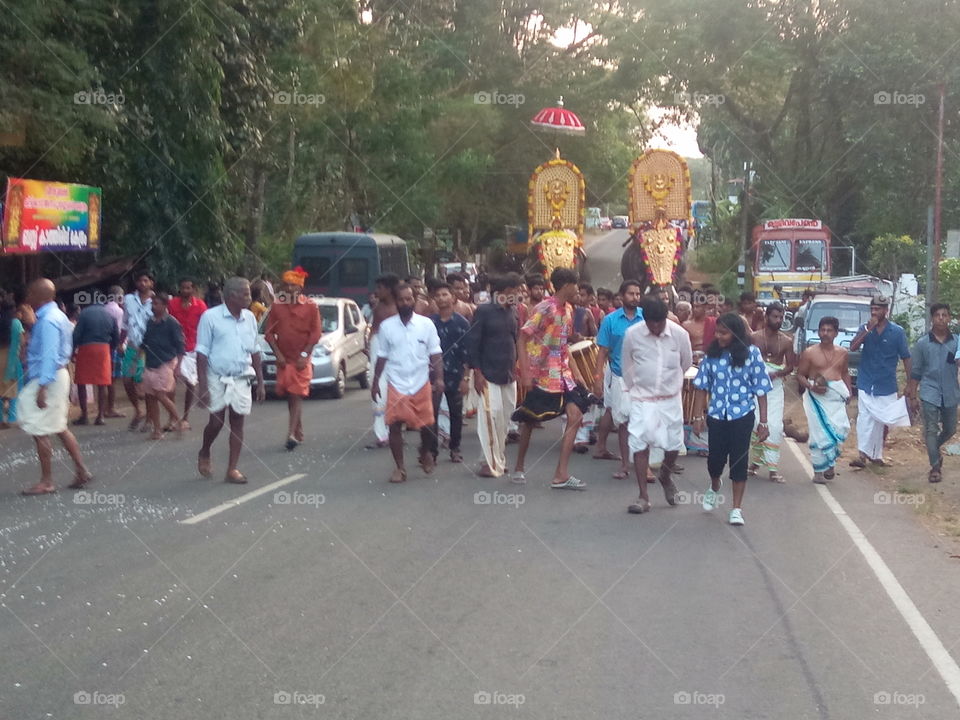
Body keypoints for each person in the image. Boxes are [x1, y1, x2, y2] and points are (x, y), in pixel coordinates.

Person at [511, 267, 591, 489]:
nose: (577, 289)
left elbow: (564, 345)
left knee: (575, 415)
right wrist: (525, 373)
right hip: (543, 374)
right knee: (529, 419)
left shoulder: (569, 310)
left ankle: (561, 474)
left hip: (564, 373)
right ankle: (519, 467)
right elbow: (522, 336)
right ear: (567, 285)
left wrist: (577, 373)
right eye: (575, 284)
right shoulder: (545, 307)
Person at [690, 313, 773, 526]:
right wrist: (698, 416)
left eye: (724, 332)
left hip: (742, 415)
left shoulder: (752, 354)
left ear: (735, 333)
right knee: (715, 460)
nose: (719, 336)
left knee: (739, 460)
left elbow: (761, 390)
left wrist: (764, 422)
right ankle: (715, 485)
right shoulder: (712, 356)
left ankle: (736, 509)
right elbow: (701, 387)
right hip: (717, 415)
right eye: (717, 332)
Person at [18, 279, 93, 495]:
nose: (28, 296)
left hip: (47, 377)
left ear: (41, 296)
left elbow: (50, 354)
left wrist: (42, 386)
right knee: (58, 426)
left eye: (31, 292)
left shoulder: (48, 320)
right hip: (55, 375)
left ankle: (47, 480)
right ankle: (81, 470)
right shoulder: (56, 315)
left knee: (39, 427)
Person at [621, 297, 693, 513]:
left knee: (673, 446)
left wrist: (670, 384)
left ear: (666, 318)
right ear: (645, 320)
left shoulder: (679, 334)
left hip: (670, 399)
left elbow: (686, 363)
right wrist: (638, 390)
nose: (654, 327)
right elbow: (627, 367)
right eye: (650, 323)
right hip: (643, 400)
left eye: (659, 323)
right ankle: (643, 497)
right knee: (640, 444)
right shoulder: (632, 335)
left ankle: (665, 475)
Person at [195, 277, 265, 484]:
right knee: (216, 422)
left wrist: (260, 381)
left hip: (242, 376)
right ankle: (205, 450)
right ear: (231, 296)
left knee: (238, 421)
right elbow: (201, 353)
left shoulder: (250, 318)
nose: (249, 298)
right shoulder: (210, 317)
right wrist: (203, 386)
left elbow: (255, 350)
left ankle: (232, 469)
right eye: (245, 294)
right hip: (216, 376)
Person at [371, 283, 443, 483]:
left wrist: (439, 378)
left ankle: (425, 451)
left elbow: (435, 352)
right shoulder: (387, 326)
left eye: (409, 298)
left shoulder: (426, 324)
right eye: (401, 299)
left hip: (421, 380)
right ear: (396, 302)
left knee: (427, 424)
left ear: (414, 300)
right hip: (397, 382)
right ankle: (400, 468)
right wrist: (376, 382)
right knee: (394, 425)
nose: (406, 302)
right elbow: (382, 355)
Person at [468, 273, 521, 477]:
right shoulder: (484, 311)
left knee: (505, 418)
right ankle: (486, 463)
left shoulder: (513, 312)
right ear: (504, 292)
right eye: (516, 290)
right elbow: (473, 342)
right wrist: (477, 373)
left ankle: (498, 459)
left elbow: (516, 342)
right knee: (491, 416)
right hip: (487, 373)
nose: (518, 294)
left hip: (508, 374)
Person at [849, 295, 911, 467]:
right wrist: (868, 330)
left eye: (878, 309)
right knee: (864, 420)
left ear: (886, 310)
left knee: (885, 421)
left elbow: (906, 357)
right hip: (866, 382)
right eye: (872, 309)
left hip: (886, 385)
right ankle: (862, 455)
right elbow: (853, 347)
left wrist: (910, 384)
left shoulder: (897, 332)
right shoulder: (865, 328)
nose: (874, 312)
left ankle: (876, 454)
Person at [264, 267, 322, 450]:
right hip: (284, 359)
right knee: (291, 394)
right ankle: (298, 428)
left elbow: (315, 334)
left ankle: (290, 434)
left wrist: (305, 355)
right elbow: (269, 334)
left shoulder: (311, 306)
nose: (289, 289)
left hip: (301, 360)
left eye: (293, 286)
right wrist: (278, 355)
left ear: (300, 288)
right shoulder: (277, 306)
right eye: (286, 285)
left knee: (296, 394)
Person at [592, 280, 644, 480]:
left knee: (642, 421)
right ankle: (624, 465)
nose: (635, 297)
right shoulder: (610, 320)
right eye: (631, 293)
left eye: (638, 293)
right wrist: (597, 379)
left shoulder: (645, 318)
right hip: (619, 375)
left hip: (642, 378)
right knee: (623, 422)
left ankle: (644, 466)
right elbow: (602, 352)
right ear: (622, 296)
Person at [906, 303, 959, 483]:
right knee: (930, 428)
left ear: (950, 318)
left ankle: (933, 448)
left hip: (951, 392)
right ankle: (935, 467)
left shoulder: (957, 341)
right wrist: (912, 396)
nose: (941, 318)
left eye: (945, 315)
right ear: (932, 318)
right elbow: (916, 372)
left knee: (950, 429)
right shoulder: (922, 343)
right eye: (938, 315)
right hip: (929, 391)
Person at [797, 316, 852, 483]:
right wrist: (811, 387)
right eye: (822, 330)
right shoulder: (810, 353)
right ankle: (819, 470)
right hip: (816, 397)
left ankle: (830, 464)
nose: (825, 333)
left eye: (829, 330)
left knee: (839, 429)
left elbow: (844, 373)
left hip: (836, 396)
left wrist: (848, 392)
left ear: (836, 333)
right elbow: (800, 375)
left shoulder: (842, 353)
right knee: (819, 433)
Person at [748, 303, 796, 483]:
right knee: (754, 423)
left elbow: (791, 366)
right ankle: (754, 464)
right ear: (767, 317)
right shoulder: (754, 338)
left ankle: (773, 469)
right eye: (775, 316)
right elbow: (746, 361)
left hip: (774, 388)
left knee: (774, 426)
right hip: (754, 387)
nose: (778, 320)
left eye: (781, 317)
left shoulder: (786, 341)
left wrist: (776, 373)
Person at [428, 282, 471, 464]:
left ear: (453, 298)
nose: (441, 298)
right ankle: (431, 451)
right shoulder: (430, 323)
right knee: (431, 413)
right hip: (433, 375)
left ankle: (455, 449)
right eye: (438, 295)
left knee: (456, 413)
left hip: (455, 374)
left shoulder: (462, 323)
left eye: (445, 294)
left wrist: (465, 378)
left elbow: (467, 352)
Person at [140, 293, 185, 440]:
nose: (153, 307)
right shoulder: (151, 322)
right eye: (152, 304)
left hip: (165, 362)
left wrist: (178, 366)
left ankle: (178, 419)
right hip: (150, 362)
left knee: (160, 394)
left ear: (165, 306)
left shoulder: (172, 323)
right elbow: (145, 342)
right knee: (151, 397)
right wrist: (136, 361)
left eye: (156, 304)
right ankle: (157, 429)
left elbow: (180, 346)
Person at [71, 298, 120, 426]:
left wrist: (72, 350)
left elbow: (76, 334)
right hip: (104, 348)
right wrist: (111, 348)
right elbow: (116, 336)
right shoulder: (109, 315)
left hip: (86, 348)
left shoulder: (84, 313)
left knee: (82, 382)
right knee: (102, 383)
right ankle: (100, 416)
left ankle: (85, 415)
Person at [167, 278, 208, 430]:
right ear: (179, 288)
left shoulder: (201, 306)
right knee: (171, 383)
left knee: (191, 383)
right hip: (174, 348)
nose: (185, 291)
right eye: (183, 288)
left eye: (188, 288)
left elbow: (205, 327)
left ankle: (185, 418)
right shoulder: (172, 304)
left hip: (193, 348)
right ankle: (172, 418)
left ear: (193, 289)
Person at [367, 273, 400, 449]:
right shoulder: (377, 308)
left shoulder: (400, 307)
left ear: (388, 289)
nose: (376, 291)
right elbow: (373, 330)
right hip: (378, 351)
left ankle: (395, 427)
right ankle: (381, 434)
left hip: (396, 353)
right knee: (379, 389)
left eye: (380, 288)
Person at [122, 272, 154, 431]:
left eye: (145, 280)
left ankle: (149, 418)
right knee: (127, 380)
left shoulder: (157, 301)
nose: (142, 283)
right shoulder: (128, 299)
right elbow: (125, 322)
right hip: (133, 345)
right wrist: (120, 342)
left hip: (151, 348)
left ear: (151, 283)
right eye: (140, 280)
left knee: (145, 383)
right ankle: (138, 410)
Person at [0, 292, 24, 428]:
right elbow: (22, 340)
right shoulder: (16, 323)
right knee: (13, 388)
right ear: (13, 309)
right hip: (12, 359)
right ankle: (11, 417)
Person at [102, 285, 126, 418]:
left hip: (105, 345)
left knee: (105, 378)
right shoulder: (119, 311)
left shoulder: (104, 309)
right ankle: (110, 408)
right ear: (118, 296)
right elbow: (119, 330)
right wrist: (120, 345)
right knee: (113, 379)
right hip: (115, 346)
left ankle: (104, 407)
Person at [683, 289, 716, 353]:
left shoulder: (713, 322)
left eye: (698, 307)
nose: (695, 309)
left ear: (705, 307)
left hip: (710, 356)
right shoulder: (686, 325)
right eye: (693, 307)